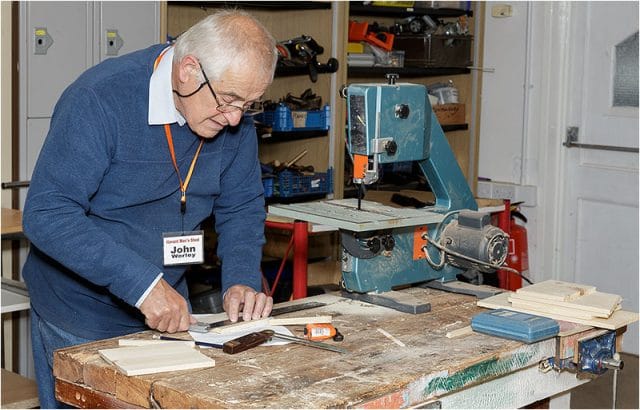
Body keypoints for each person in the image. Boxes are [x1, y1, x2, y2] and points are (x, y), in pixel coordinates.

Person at [21, 9, 278, 408]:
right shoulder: (100, 99)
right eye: (229, 101)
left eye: (249, 105)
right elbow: (48, 214)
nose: (234, 120)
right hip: (82, 311)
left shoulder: (231, 113)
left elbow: (242, 205)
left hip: (168, 305)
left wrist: (240, 278)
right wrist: (141, 285)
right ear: (188, 70)